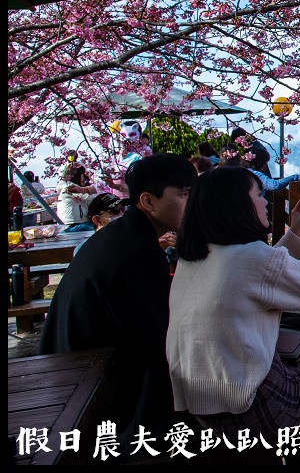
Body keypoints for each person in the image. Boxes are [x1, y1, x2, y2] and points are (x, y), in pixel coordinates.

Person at [166, 167, 300, 464]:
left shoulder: (194, 259)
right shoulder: (251, 257)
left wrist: (298, 231)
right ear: (237, 205)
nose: (265, 201)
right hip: (254, 409)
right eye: (258, 195)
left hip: (203, 408)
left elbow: (263, 278)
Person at [40, 153, 198, 449]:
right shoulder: (135, 253)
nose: (193, 204)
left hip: (73, 375)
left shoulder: (122, 236)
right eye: (185, 195)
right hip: (94, 400)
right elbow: (162, 344)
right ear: (148, 202)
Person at [55, 158, 99, 224]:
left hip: (72, 222)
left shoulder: (66, 186)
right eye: (82, 176)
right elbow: (91, 199)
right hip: (73, 223)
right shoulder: (70, 188)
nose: (84, 180)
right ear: (76, 176)